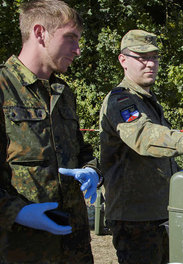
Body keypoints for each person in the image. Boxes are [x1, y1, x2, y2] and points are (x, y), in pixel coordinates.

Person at [99, 29, 183, 264]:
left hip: (159, 212)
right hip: (135, 218)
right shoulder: (121, 100)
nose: (150, 64)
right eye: (142, 57)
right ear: (123, 60)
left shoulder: (147, 101)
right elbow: (144, 135)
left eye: (155, 57)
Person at [0, 0, 101, 262]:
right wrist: (17, 211)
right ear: (39, 33)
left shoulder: (62, 93)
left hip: (73, 246)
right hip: (21, 249)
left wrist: (92, 170)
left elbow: (82, 151)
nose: (78, 50)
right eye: (70, 38)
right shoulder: (3, 89)